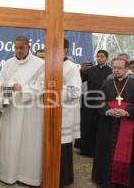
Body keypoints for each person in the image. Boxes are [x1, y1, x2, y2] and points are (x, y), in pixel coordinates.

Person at [0, 36, 44, 186]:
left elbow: (42, 86)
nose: (18, 51)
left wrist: (22, 88)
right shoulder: (8, 64)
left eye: (21, 48)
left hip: (31, 111)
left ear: (28, 47)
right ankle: (8, 175)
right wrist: (4, 93)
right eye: (16, 48)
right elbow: (0, 83)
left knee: (29, 143)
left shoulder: (40, 64)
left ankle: (28, 177)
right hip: (11, 108)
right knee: (10, 141)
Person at [92, 57, 134, 188]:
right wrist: (107, 110)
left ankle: (124, 180)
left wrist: (126, 111)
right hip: (108, 123)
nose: (116, 70)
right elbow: (98, 100)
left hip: (127, 122)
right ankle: (104, 179)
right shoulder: (107, 83)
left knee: (127, 151)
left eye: (119, 68)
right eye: (114, 68)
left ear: (126, 69)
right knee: (105, 149)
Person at [79, 50, 112, 157]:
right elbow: (80, 79)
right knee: (87, 125)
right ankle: (85, 149)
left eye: (102, 56)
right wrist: (81, 70)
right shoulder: (90, 70)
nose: (99, 58)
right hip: (89, 101)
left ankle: (97, 151)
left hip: (102, 101)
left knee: (98, 126)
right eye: (98, 56)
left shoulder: (110, 71)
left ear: (106, 58)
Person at [60, 38, 82, 186]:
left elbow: (75, 91)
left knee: (63, 146)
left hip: (64, 113)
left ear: (65, 49)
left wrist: (53, 92)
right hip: (46, 112)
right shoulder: (46, 65)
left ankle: (63, 178)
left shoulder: (71, 67)